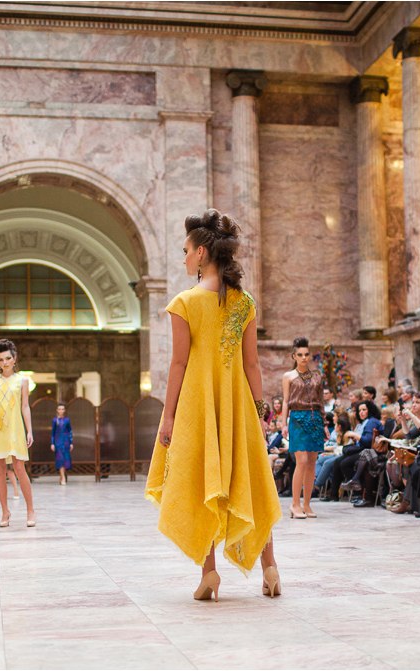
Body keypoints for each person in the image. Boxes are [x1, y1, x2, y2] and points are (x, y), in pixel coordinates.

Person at [144, 208, 281, 602]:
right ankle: (270, 568)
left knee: (199, 481)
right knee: (250, 482)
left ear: (202, 253)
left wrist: (168, 417)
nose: (184, 258)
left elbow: (179, 364)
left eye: (186, 250)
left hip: (198, 407)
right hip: (239, 408)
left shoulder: (185, 303)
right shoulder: (245, 302)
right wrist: (259, 414)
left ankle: (209, 574)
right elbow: (253, 364)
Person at [0, 339, 36, 528]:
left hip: (14, 428)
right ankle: (5, 512)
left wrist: (29, 430)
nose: (4, 362)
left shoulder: (22, 381)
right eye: (1, 359)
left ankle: (30, 510)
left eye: (7, 358)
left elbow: (25, 407)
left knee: (19, 468)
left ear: (14, 359)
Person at [281, 337, 326, 520]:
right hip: (297, 418)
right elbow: (285, 401)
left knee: (312, 462)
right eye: (300, 355)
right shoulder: (288, 376)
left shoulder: (317, 376)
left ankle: (307, 504)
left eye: (306, 354)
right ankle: (295, 504)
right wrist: (283, 423)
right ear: (294, 356)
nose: (304, 357)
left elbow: (321, 402)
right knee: (302, 460)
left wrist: (325, 424)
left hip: (315, 419)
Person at [50, 403, 73, 485]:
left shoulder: (67, 420)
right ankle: (63, 477)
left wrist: (71, 442)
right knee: (60, 459)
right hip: (58, 443)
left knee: (65, 460)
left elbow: (70, 431)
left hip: (66, 442)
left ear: (64, 410)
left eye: (62, 409)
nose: (61, 411)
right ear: (57, 410)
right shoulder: (54, 420)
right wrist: (52, 443)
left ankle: (62, 476)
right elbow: (52, 433)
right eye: (59, 409)